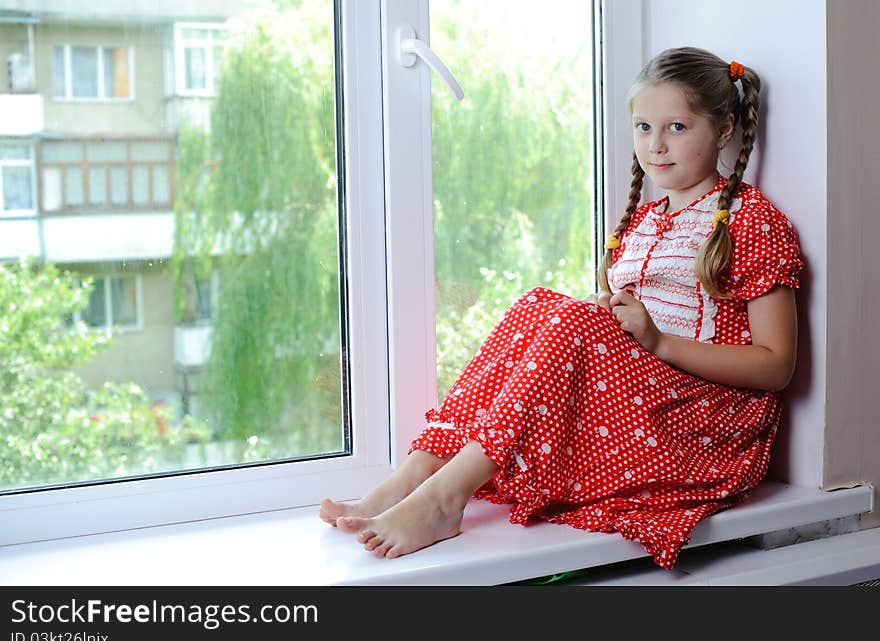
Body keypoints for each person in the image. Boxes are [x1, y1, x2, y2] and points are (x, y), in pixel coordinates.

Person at [319, 46, 803, 570]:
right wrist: (611, 319)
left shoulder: (751, 222)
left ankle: (443, 499)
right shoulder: (646, 220)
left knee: (571, 319)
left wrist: (657, 341)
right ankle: (416, 477)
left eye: (677, 128)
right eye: (642, 127)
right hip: (644, 395)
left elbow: (777, 365)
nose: (655, 145)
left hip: (703, 422)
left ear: (724, 129)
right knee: (540, 307)